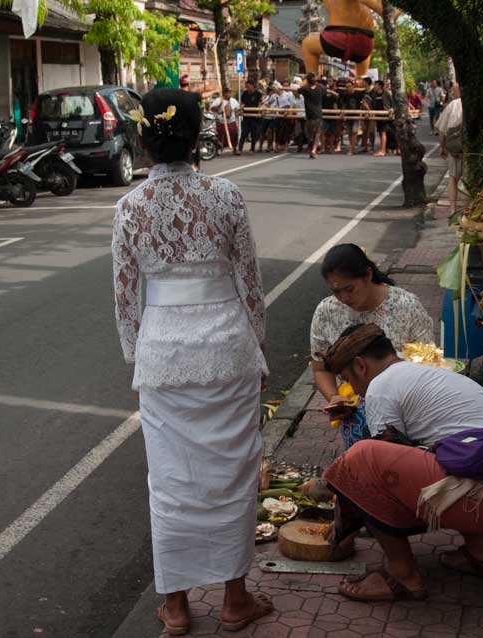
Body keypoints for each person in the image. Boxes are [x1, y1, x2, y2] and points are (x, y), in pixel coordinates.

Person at [112, 88, 274, 635]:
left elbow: (126, 297)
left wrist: (137, 361)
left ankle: (177, 607)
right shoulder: (227, 195)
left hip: (163, 355)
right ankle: (235, 599)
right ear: (197, 134)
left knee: (171, 481)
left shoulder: (129, 207)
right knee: (233, 474)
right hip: (228, 348)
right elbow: (249, 281)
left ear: (143, 138)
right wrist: (259, 346)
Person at [300, 324, 483, 602]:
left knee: (359, 459)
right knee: (443, 452)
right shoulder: (426, 374)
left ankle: (402, 575)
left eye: (348, 379)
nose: (352, 390)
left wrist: (340, 497)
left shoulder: (381, 387)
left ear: (361, 366)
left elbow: (377, 476)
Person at [309, 244, 434, 448]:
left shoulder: (406, 306)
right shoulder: (326, 312)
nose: (344, 298)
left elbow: (428, 362)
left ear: (368, 274)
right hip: (356, 415)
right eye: (336, 291)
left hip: (405, 409)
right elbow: (320, 368)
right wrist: (335, 397)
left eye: (349, 289)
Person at [437, 82, 464, 216]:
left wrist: (442, 147)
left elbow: (441, 130)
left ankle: (453, 208)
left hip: (455, 147)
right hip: (471, 146)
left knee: (453, 177)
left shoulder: (452, 105)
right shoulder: (473, 104)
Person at [299, 72, 330, 158]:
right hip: (318, 114)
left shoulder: (305, 89)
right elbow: (326, 90)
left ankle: (311, 149)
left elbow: (296, 89)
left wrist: (281, 87)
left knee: (309, 134)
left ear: (307, 81)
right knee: (317, 133)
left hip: (309, 115)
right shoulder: (320, 89)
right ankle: (314, 149)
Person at [211, 88, 240, 154]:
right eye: (227, 93)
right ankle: (218, 149)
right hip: (221, 121)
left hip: (231, 121)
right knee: (219, 136)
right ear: (224, 93)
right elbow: (212, 109)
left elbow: (237, 110)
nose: (229, 94)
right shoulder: (218, 100)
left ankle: (235, 148)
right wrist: (219, 106)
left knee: (234, 134)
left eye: (230, 93)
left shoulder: (233, 101)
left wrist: (237, 118)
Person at [238, 80, 262, 153]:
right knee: (244, 133)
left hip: (255, 117)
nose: (247, 88)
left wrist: (259, 111)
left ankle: (252, 149)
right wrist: (241, 109)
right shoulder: (244, 93)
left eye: (248, 86)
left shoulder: (258, 94)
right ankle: (240, 149)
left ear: (252, 86)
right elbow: (242, 103)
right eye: (246, 86)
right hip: (246, 116)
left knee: (253, 133)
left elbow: (260, 103)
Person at [322, 78, 340, 154]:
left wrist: (337, 113)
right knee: (322, 131)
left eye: (331, 81)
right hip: (324, 113)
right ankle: (323, 147)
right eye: (328, 81)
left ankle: (331, 147)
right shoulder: (323, 91)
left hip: (333, 114)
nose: (329, 82)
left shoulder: (336, 91)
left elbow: (337, 98)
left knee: (332, 132)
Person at [260, 85, 279, 152]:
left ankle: (270, 146)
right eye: (269, 91)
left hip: (273, 117)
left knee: (270, 132)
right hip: (265, 117)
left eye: (272, 91)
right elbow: (263, 105)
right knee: (262, 132)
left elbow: (276, 107)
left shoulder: (276, 97)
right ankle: (260, 147)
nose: (271, 93)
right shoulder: (266, 98)